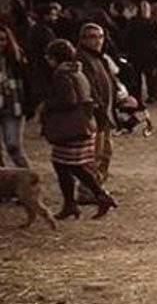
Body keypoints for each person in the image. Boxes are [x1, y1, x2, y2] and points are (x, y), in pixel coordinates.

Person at [38, 39, 116, 220]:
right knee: (72, 166)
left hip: (69, 127)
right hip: (81, 125)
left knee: (66, 165)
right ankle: (87, 199)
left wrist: (47, 105)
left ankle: (83, 200)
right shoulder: (77, 71)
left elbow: (69, 100)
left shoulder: (61, 75)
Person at [76, 23, 125, 186]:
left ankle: (98, 185)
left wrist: (120, 96)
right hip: (96, 114)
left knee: (105, 153)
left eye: (100, 36)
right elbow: (87, 87)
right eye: (92, 37)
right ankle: (89, 189)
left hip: (106, 113)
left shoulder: (100, 57)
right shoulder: (82, 59)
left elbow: (109, 81)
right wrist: (97, 108)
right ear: (83, 39)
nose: (97, 41)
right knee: (94, 155)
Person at [0, 23, 34, 167]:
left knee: (13, 146)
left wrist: (30, 105)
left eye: (2, 39)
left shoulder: (17, 58)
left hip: (14, 106)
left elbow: (29, 83)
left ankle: (28, 179)